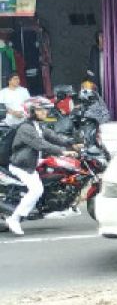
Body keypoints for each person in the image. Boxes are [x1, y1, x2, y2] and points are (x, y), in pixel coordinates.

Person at [4, 96, 77, 236]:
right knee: (36, 189)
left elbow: (54, 137)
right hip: (22, 165)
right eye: (41, 110)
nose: (45, 112)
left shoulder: (38, 126)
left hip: (33, 161)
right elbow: (41, 144)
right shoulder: (26, 128)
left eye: (45, 110)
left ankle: (54, 205)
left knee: (55, 171)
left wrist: (72, 143)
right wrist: (63, 151)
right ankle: (14, 219)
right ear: (31, 111)